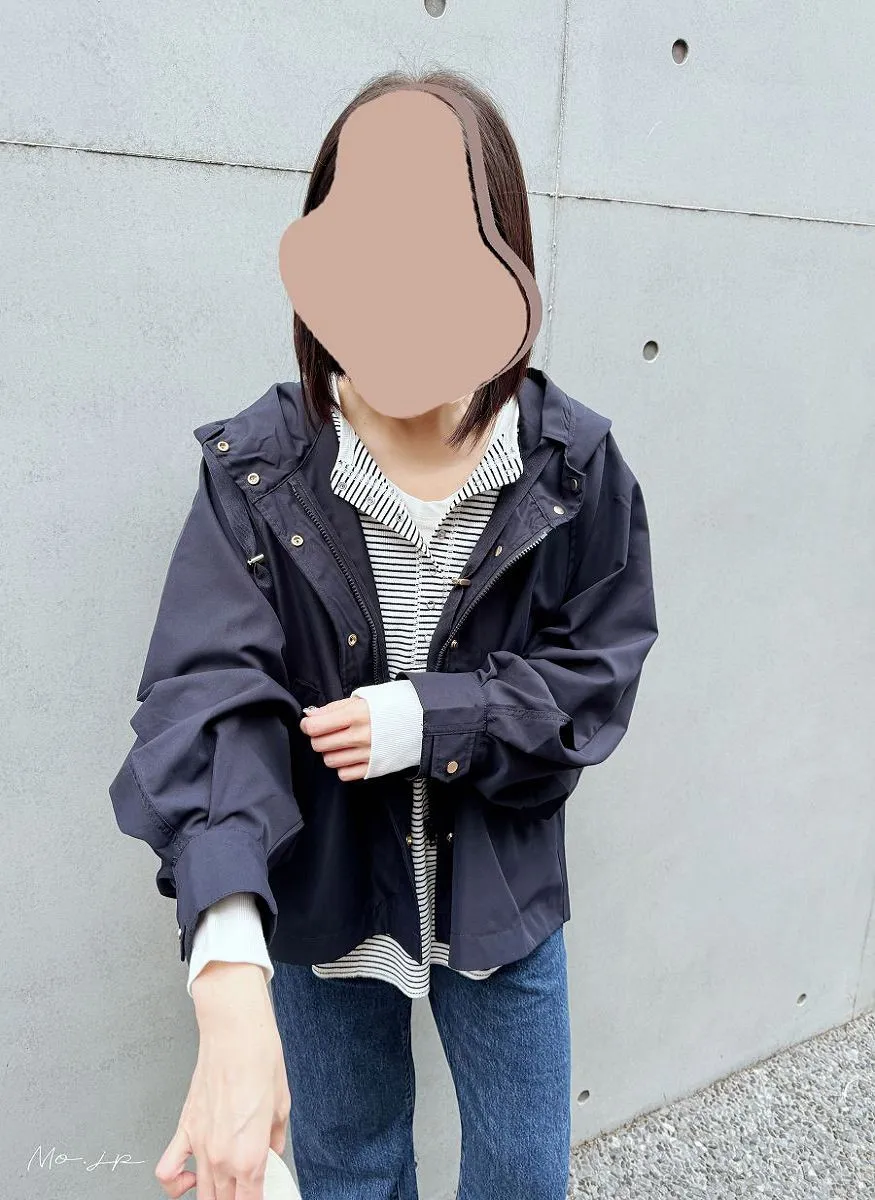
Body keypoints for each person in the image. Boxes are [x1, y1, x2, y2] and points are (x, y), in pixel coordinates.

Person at [109, 68, 659, 1200]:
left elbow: (594, 675)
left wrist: (430, 718)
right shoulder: (259, 467)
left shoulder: (570, 463)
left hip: (499, 891)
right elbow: (211, 695)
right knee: (347, 1171)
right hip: (323, 889)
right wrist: (225, 958)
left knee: (523, 1175)